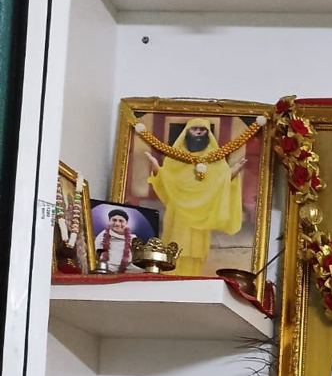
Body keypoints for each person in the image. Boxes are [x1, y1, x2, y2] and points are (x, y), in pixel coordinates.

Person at [145, 118, 245, 276]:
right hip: (177, 216)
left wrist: (234, 172)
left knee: (195, 256)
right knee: (174, 252)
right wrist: (156, 167)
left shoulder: (215, 160)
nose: (198, 132)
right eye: (195, 129)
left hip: (201, 217)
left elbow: (220, 183)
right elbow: (165, 181)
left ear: (208, 133)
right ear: (187, 132)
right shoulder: (175, 158)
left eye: (202, 129)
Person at [96, 208, 134, 272]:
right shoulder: (103, 234)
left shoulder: (132, 237)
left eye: (121, 221)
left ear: (126, 223)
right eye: (114, 220)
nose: (117, 224)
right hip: (109, 265)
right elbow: (94, 251)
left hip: (128, 266)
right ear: (109, 221)